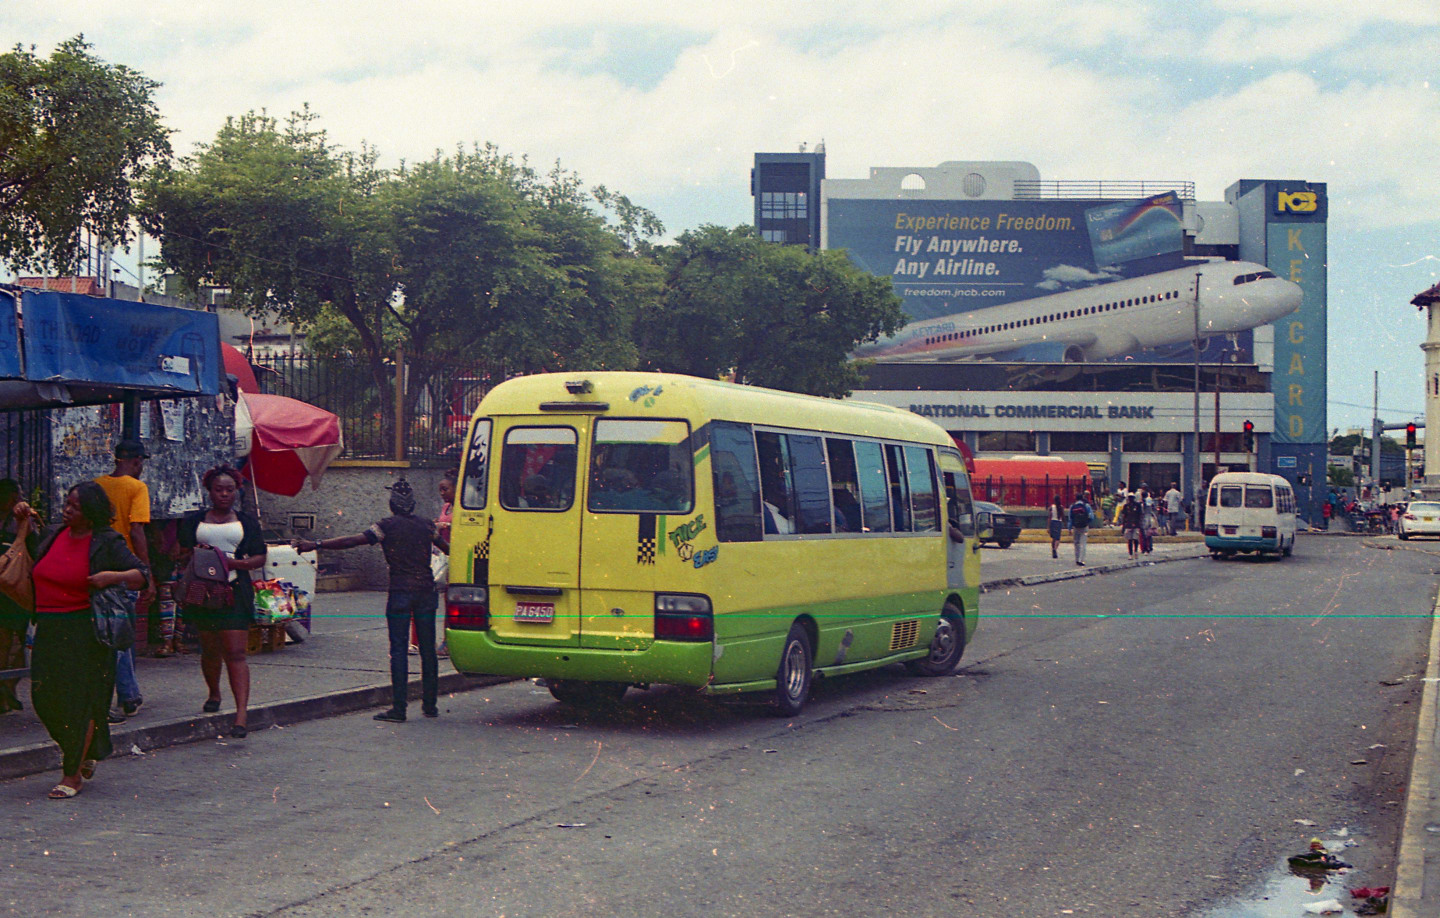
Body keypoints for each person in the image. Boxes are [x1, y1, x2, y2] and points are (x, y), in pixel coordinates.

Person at [29, 483, 147, 798]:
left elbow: (141, 575)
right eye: (67, 504)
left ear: (91, 513)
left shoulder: (107, 542)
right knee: (43, 700)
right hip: (50, 627)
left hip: (86, 630)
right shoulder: (54, 535)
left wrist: (112, 577)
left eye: (76, 507)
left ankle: (71, 775)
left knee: (77, 703)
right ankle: (89, 747)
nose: (68, 511)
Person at [297, 479, 449, 723]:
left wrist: (315, 544)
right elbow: (447, 548)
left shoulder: (385, 526)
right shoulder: (426, 526)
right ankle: (430, 705)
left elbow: (351, 541)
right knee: (428, 648)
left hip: (400, 590)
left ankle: (399, 709)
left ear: (392, 504)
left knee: (398, 649)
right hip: (425, 590)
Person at [177, 466, 268, 739]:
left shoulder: (246, 522)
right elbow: (180, 553)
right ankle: (214, 693)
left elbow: (259, 556)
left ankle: (241, 715)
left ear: (237, 489)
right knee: (210, 648)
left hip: (235, 590)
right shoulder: (194, 521)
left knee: (236, 653)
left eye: (230, 489)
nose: (225, 494)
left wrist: (234, 563)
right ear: (209, 490)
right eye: (219, 489)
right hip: (202, 593)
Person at [94, 439, 153, 724]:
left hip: (98, 568)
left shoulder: (96, 486)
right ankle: (127, 696)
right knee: (120, 636)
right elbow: (137, 530)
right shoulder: (137, 487)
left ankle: (130, 694)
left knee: (114, 634)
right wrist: (146, 573)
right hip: (125, 571)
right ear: (137, 461)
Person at [0, 480, 36, 714]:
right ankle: (6, 692)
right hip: (12, 589)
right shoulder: (19, 523)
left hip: (11, 590)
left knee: (9, 643)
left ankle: (6, 691)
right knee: (11, 643)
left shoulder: (20, 521)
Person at [413, 473, 456, 659]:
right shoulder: (446, 507)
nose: (442, 493)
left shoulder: (463, 508)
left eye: (445, 489)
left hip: (454, 556)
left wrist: (446, 527)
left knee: (450, 600)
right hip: (441, 556)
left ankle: (448, 640)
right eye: (440, 489)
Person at [1068, 493, 1092, 566]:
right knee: (1083, 543)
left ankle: (1077, 559)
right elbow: (1091, 517)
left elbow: (1070, 518)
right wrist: (1087, 522)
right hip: (1084, 527)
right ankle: (1082, 560)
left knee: (1076, 543)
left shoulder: (1072, 506)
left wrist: (1069, 528)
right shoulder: (1086, 506)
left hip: (1076, 527)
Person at [1120, 494, 1143, 558]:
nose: (1130, 499)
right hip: (1128, 524)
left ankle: (1135, 551)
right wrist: (1124, 525)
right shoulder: (1126, 506)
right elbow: (1124, 516)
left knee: (1135, 539)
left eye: (1131, 498)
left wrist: (1139, 523)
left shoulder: (1137, 505)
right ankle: (1130, 553)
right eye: (1129, 498)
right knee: (1129, 540)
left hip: (1136, 524)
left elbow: (1140, 515)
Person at [1048, 495, 1065, 559]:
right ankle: (1055, 549)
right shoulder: (1061, 507)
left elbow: (1049, 517)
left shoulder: (1051, 507)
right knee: (1057, 538)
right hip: (1058, 523)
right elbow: (1063, 516)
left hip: (1052, 522)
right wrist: (1065, 523)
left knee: (1054, 538)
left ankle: (1053, 549)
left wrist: (1048, 527)